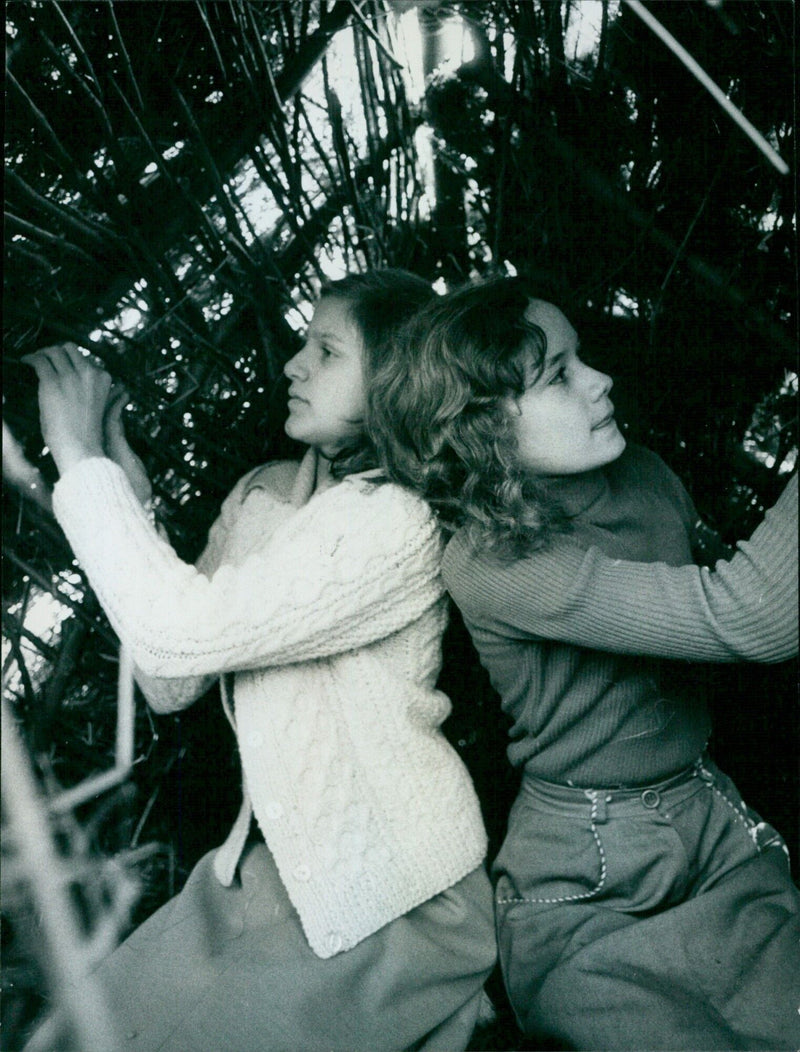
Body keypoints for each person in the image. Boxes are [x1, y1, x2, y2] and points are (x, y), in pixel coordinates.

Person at [23, 270, 496, 1052]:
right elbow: (170, 678)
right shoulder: (268, 499)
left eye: (326, 350)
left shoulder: (398, 521)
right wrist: (119, 477)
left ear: (397, 380)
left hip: (391, 897)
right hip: (265, 870)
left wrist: (76, 456)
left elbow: (178, 632)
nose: (292, 366)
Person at [369, 275, 799, 1051]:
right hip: (591, 876)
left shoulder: (645, 474)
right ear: (479, 428)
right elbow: (753, 615)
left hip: (714, 823)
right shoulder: (494, 561)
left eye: (582, 359)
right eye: (558, 375)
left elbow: (724, 600)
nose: (599, 381)